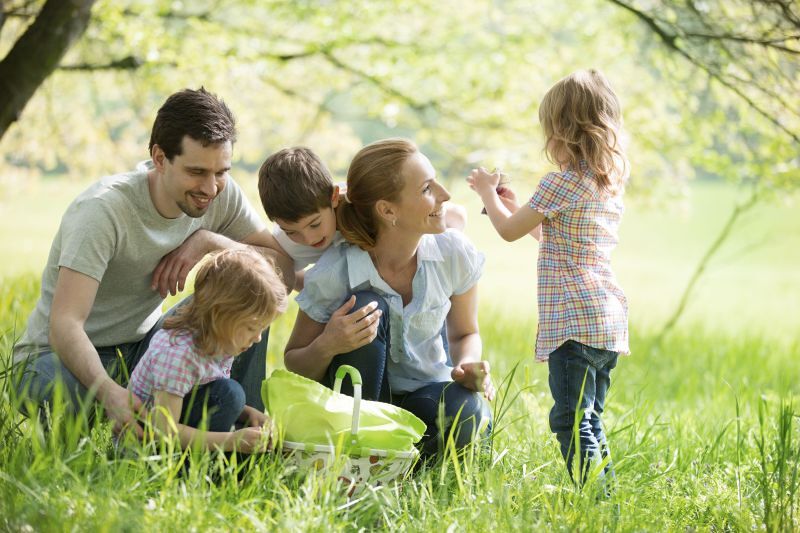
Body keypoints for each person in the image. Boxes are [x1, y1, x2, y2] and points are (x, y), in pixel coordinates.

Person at [13, 87, 293, 436]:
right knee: (63, 394)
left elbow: (281, 272)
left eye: (221, 171)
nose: (211, 187)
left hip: (147, 350)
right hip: (58, 357)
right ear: (160, 158)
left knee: (247, 302)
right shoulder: (103, 211)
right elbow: (65, 323)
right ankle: (148, 433)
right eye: (197, 172)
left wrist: (209, 242)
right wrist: (109, 393)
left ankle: (246, 432)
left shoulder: (221, 193)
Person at [283, 138, 494, 458]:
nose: (445, 195)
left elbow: (466, 333)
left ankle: (400, 462)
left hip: (425, 394)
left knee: (468, 412)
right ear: (387, 210)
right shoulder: (335, 272)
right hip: (359, 408)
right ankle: (363, 455)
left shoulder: (453, 252)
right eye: (427, 188)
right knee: (369, 303)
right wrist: (328, 344)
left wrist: (466, 365)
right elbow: (295, 363)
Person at [467, 69, 629, 485]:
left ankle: (596, 497)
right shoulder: (603, 184)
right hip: (605, 320)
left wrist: (488, 193)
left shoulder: (559, 182)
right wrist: (516, 205)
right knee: (590, 419)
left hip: (573, 322)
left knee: (570, 421)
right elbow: (549, 233)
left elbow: (508, 231)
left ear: (562, 132)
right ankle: (603, 493)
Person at [128, 248, 287, 453]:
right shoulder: (179, 354)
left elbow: (202, 392)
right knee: (231, 394)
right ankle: (188, 470)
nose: (257, 338)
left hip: (176, 426)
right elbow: (162, 431)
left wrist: (248, 414)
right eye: (251, 328)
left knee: (233, 397)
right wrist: (231, 441)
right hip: (146, 446)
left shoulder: (221, 341)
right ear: (220, 314)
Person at [257, 146, 467, 292]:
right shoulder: (286, 244)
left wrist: (450, 246)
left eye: (315, 224)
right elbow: (282, 274)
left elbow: (457, 215)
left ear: (334, 198)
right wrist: (320, 287)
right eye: (292, 231)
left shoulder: (362, 205)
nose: (308, 238)